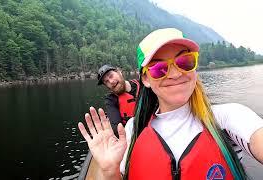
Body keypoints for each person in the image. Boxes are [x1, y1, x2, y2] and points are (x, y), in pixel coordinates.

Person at [78, 28, 263, 179]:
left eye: (185, 61)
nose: (175, 74)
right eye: (159, 69)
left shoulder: (228, 117)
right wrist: (110, 172)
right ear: (146, 80)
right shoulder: (132, 129)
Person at [97, 64, 139, 135]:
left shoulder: (143, 84)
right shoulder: (111, 100)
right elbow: (117, 128)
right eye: (106, 81)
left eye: (111, 76)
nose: (111, 82)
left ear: (119, 72)